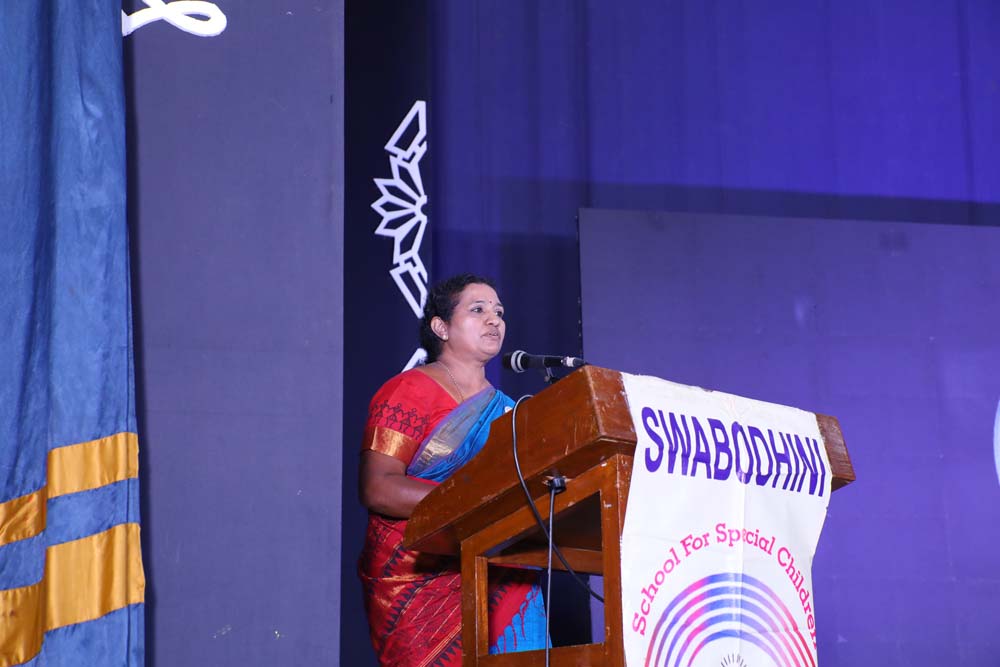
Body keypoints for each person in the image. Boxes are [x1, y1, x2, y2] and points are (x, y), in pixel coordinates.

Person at [358, 274, 547, 666]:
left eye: (499, 312)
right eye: (478, 310)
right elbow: (379, 488)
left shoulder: (509, 411)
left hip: (498, 572)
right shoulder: (408, 391)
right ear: (441, 327)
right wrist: (477, 503)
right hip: (417, 578)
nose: (494, 320)